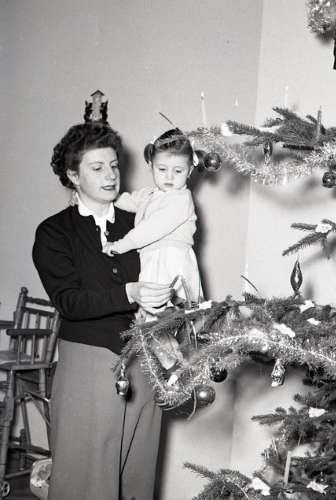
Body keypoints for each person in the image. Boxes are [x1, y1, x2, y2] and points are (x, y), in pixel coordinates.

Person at [32, 121, 172, 500]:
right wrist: (129, 292)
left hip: (144, 359)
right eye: (97, 168)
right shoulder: (54, 233)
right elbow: (69, 301)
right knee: (85, 481)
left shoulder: (140, 224)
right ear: (73, 176)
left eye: (113, 165)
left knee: (137, 477)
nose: (110, 175)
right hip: (88, 365)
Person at [102, 128, 203, 320]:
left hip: (172, 261)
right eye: (162, 169)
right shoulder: (149, 194)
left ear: (190, 170)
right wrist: (105, 197)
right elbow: (127, 200)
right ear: (151, 165)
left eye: (178, 171)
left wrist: (119, 246)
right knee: (151, 317)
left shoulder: (181, 199)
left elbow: (150, 229)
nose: (169, 177)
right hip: (151, 259)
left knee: (174, 317)